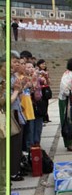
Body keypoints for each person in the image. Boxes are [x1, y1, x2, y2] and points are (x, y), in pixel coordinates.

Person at [10, 51, 26, 180]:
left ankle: (17, 168)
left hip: (17, 111)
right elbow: (8, 100)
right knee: (14, 144)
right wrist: (16, 90)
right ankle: (13, 172)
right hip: (11, 114)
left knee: (17, 144)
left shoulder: (13, 76)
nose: (16, 65)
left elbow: (18, 96)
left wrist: (21, 88)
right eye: (14, 62)